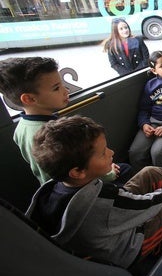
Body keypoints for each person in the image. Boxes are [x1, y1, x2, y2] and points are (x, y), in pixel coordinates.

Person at [26, 115, 162, 268]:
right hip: (130, 247)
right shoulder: (101, 201)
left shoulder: (53, 190)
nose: (111, 153)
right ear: (78, 171)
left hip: (112, 220)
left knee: (149, 173)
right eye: (103, 153)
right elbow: (142, 207)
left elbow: (120, 200)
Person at [0, 57, 132, 186]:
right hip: (83, 187)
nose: (66, 90)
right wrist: (109, 173)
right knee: (125, 170)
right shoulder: (45, 135)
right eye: (56, 88)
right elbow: (66, 177)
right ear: (29, 99)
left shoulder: (22, 128)